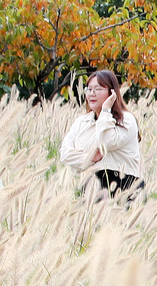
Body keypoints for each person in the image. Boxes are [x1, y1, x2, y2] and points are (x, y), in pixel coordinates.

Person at [60, 70, 144, 199]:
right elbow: (65, 154)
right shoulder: (81, 122)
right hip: (91, 187)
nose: (92, 94)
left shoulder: (126, 120)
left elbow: (105, 143)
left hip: (125, 187)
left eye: (98, 89)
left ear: (112, 93)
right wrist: (91, 157)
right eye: (89, 89)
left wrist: (106, 110)